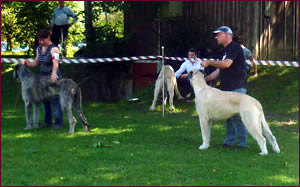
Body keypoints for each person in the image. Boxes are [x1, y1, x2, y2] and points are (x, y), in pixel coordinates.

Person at [201, 26, 248, 149]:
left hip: (237, 87)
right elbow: (218, 71)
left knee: (239, 116)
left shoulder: (235, 47)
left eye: (218, 34)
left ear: (227, 35)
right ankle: (229, 142)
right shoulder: (225, 51)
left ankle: (242, 143)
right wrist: (203, 80)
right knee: (228, 116)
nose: (216, 37)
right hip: (226, 89)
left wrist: (209, 62)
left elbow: (226, 64)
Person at [21, 28, 63, 129]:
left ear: (48, 37)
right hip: (42, 79)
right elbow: (36, 62)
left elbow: (55, 62)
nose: (41, 42)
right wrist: (27, 63)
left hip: (53, 78)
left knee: (55, 101)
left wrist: (54, 73)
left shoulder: (54, 49)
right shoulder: (39, 49)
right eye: (39, 40)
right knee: (44, 101)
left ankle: (58, 124)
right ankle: (47, 122)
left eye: (43, 40)